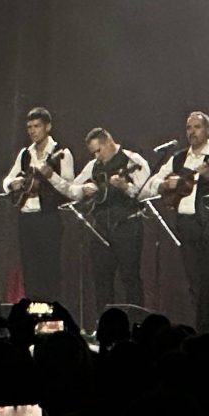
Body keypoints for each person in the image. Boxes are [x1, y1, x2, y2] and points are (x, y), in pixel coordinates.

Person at [148, 111, 209, 333]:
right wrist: (165, 185)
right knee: (193, 282)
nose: (192, 132)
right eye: (189, 128)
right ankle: (198, 327)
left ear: (208, 130)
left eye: (197, 127)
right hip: (185, 226)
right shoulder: (178, 158)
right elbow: (151, 183)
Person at [68, 127, 154, 310]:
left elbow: (146, 193)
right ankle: (104, 321)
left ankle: (136, 320)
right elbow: (72, 189)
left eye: (99, 151)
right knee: (101, 280)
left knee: (130, 277)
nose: (97, 156)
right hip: (100, 230)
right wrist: (83, 189)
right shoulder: (93, 165)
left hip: (127, 226)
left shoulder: (133, 160)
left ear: (108, 142)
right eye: (93, 153)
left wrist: (126, 187)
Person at [0, 107, 77, 303]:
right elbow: (7, 179)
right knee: (30, 268)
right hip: (26, 218)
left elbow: (70, 188)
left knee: (49, 268)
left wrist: (51, 176)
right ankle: (33, 311)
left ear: (47, 127)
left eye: (37, 126)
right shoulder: (25, 153)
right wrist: (13, 184)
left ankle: (51, 312)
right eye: (29, 127)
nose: (33, 131)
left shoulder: (62, 153)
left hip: (48, 217)